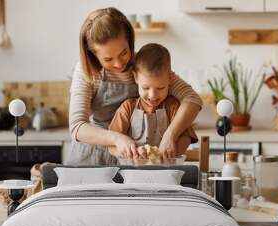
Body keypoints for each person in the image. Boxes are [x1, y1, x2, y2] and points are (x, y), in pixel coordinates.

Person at [66, 7, 202, 165]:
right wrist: (116, 138)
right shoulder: (87, 71)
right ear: (93, 55)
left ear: (129, 40)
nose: (119, 64)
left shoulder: (143, 66)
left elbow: (192, 99)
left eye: (124, 52)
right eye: (108, 59)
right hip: (90, 158)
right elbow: (77, 126)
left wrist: (170, 134)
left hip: (133, 160)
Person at [108, 43, 198, 160]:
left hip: (166, 171)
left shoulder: (173, 107)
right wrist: (129, 152)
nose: (153, 95)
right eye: (146, 88)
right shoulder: (127, 108)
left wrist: (170, 153)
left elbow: (186, 138)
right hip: (133, 172)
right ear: (135, 77)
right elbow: (111, 146)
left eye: (160, 88)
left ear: (170, 78)